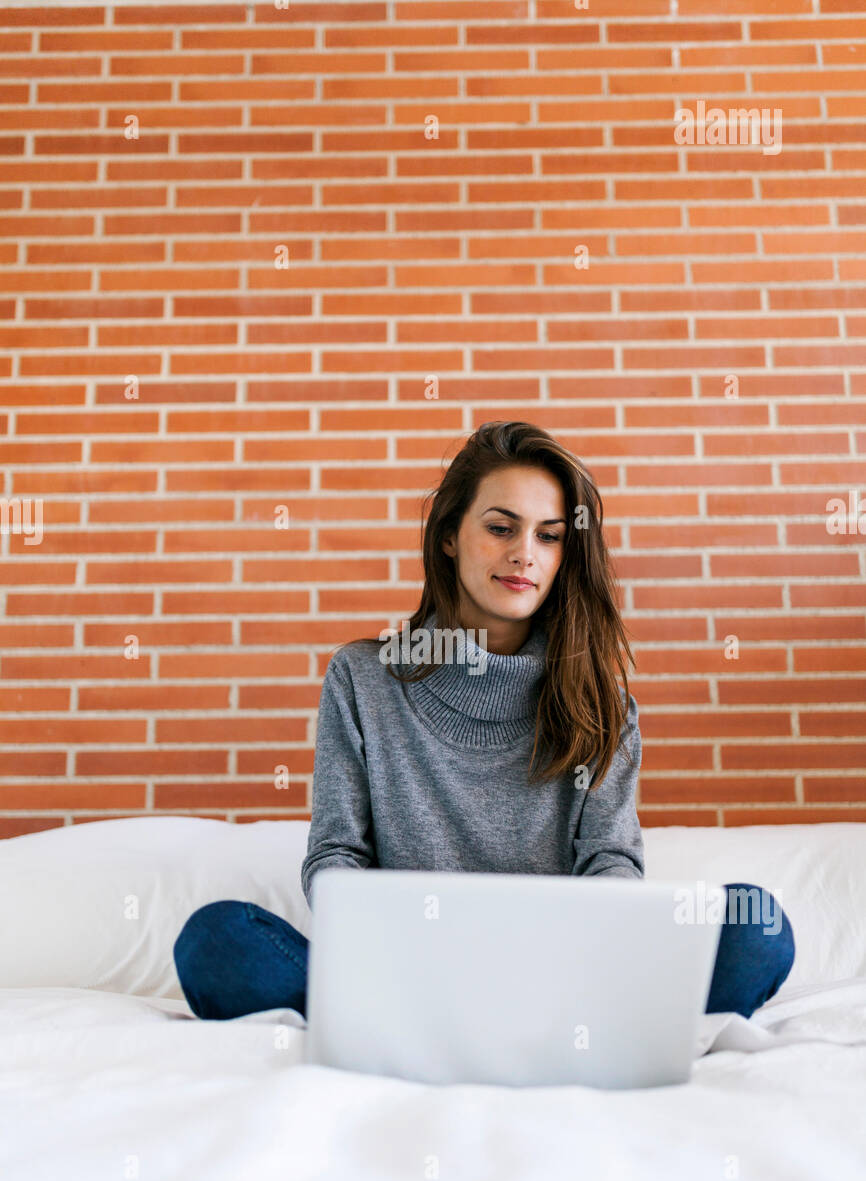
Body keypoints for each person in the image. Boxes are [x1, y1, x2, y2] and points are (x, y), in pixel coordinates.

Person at [174, 420, 795, 1024]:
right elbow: (337, 855)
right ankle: (434, 1022)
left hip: (563, 981)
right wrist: (394, 945)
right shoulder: (363, 679)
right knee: (219, 941)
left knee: (755, 924)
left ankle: (520, 1025)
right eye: (501, 528)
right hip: (405, 979)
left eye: (549, 537)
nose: (524, 554)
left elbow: (611, 860)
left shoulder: (602, 705)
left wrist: (590, 941)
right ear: (450, 535)